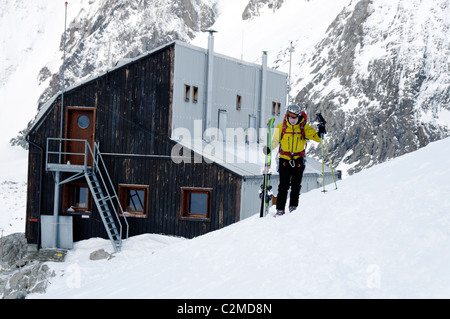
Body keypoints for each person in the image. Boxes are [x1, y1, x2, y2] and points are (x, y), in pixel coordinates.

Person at [270, 104, 325, 216]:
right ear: (287, 116)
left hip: (298, 160)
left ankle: (293, 208)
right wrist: (268, 148)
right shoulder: (282, 127)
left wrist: (322, 128)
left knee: (296, 185)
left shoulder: (304, 127)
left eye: (294, 117)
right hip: (284, 160)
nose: (292, 120)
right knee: (283, 186)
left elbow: (318, 138)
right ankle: (280, 210)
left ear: (298, 116)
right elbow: (275, 141)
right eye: (290, 117)